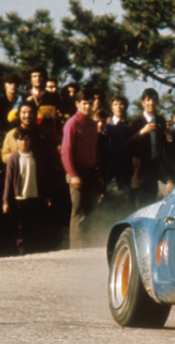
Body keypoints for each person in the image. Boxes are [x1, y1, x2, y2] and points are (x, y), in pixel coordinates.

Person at [3, 128, 57, 255]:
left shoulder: (36, 156)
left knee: (34, 225)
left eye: (26, 139)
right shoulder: (13, 158)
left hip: (34, 197)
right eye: (20, 140)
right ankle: (21, 252)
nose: (23, 142)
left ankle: (34, 252)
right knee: (20, 227)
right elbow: (8, 180)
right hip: (20, 199)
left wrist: (47, 195)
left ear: (30, 141)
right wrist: (5, 200)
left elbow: (43, 177)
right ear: (16, 141)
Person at [61, 90, 100, 248]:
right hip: (77, 171)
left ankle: (89, 245)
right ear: (77, 104)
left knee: (91, 210)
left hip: (92, 171)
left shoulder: (92, 124)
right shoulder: (72, 123)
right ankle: (77, 248)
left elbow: (96, 150)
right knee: (78, 211)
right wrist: (73, 175)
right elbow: (65, 151)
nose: (87, 106)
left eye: (90, 103)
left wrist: (99, 173)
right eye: (84, 103)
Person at [126, 88, 173, 208]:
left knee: (151, 207)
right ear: (143, 103)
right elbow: (127, 146)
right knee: (137, 208)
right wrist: (141, 133)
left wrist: (168, 137)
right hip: (139, 172)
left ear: (157, 102)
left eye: (154, 100)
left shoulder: (161, 121)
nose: (151, 103)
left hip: (155, 172)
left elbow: (165, 149)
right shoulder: (135, 123)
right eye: (148, 100)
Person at [10, 66, 63, 142]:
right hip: (28, 138)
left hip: (49, 138)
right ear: (30, 79)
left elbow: (65, 116)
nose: (37, 79)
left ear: (44, 78)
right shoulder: (23, 97)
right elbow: (11, 118)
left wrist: (58, 116)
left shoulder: (54, 97)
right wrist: (23, 104)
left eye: (40, 76)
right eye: (34, 76)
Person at [102, 95, 132, 195]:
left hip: (126, 168)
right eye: (115, 104)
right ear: (112, 108)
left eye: (121, 104)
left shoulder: (131, 126)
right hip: (110, 169)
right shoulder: (106, 126)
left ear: (125, 107)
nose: (118, 107)